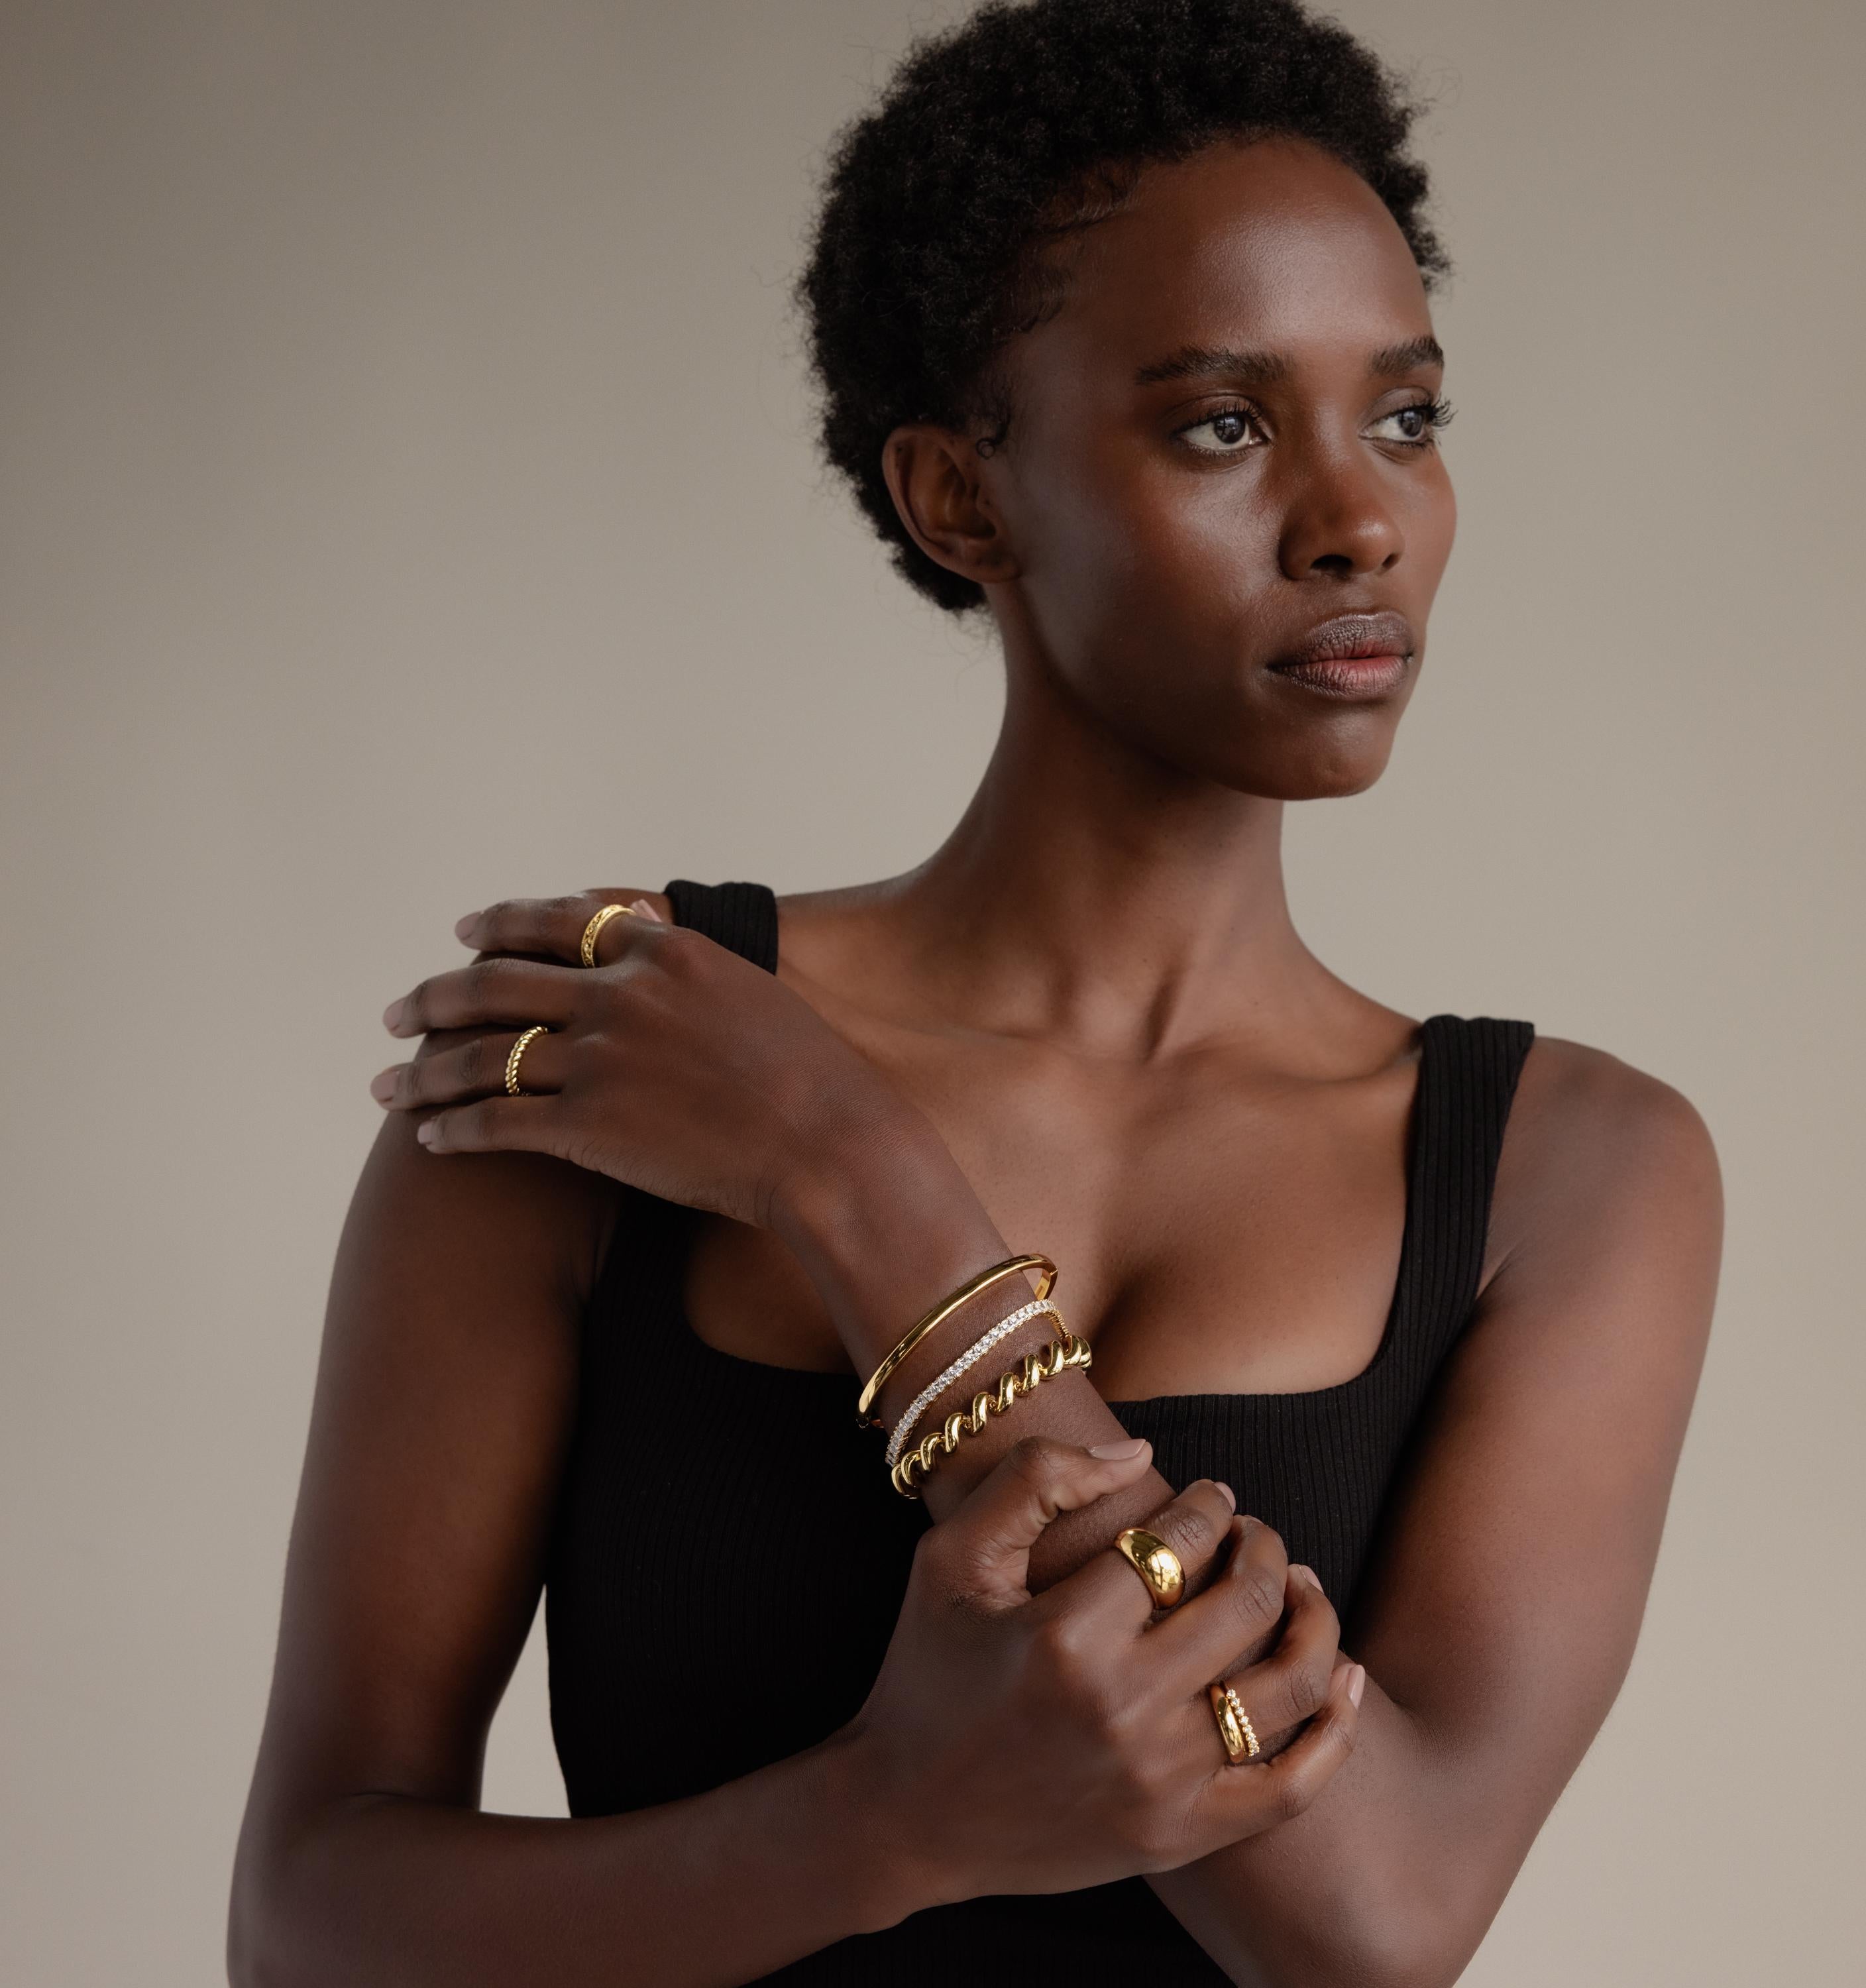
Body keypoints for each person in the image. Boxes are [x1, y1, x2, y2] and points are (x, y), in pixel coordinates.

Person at [227, 1, 1722, 1981]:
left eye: (1408, 415)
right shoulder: (619, 1057)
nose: (1360, 518)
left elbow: (1371, 1928)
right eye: (1223, 421)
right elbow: (309, 1926)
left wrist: (866, 1188)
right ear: (963, 502)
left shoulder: (1573, 1175)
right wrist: (890, 1823)